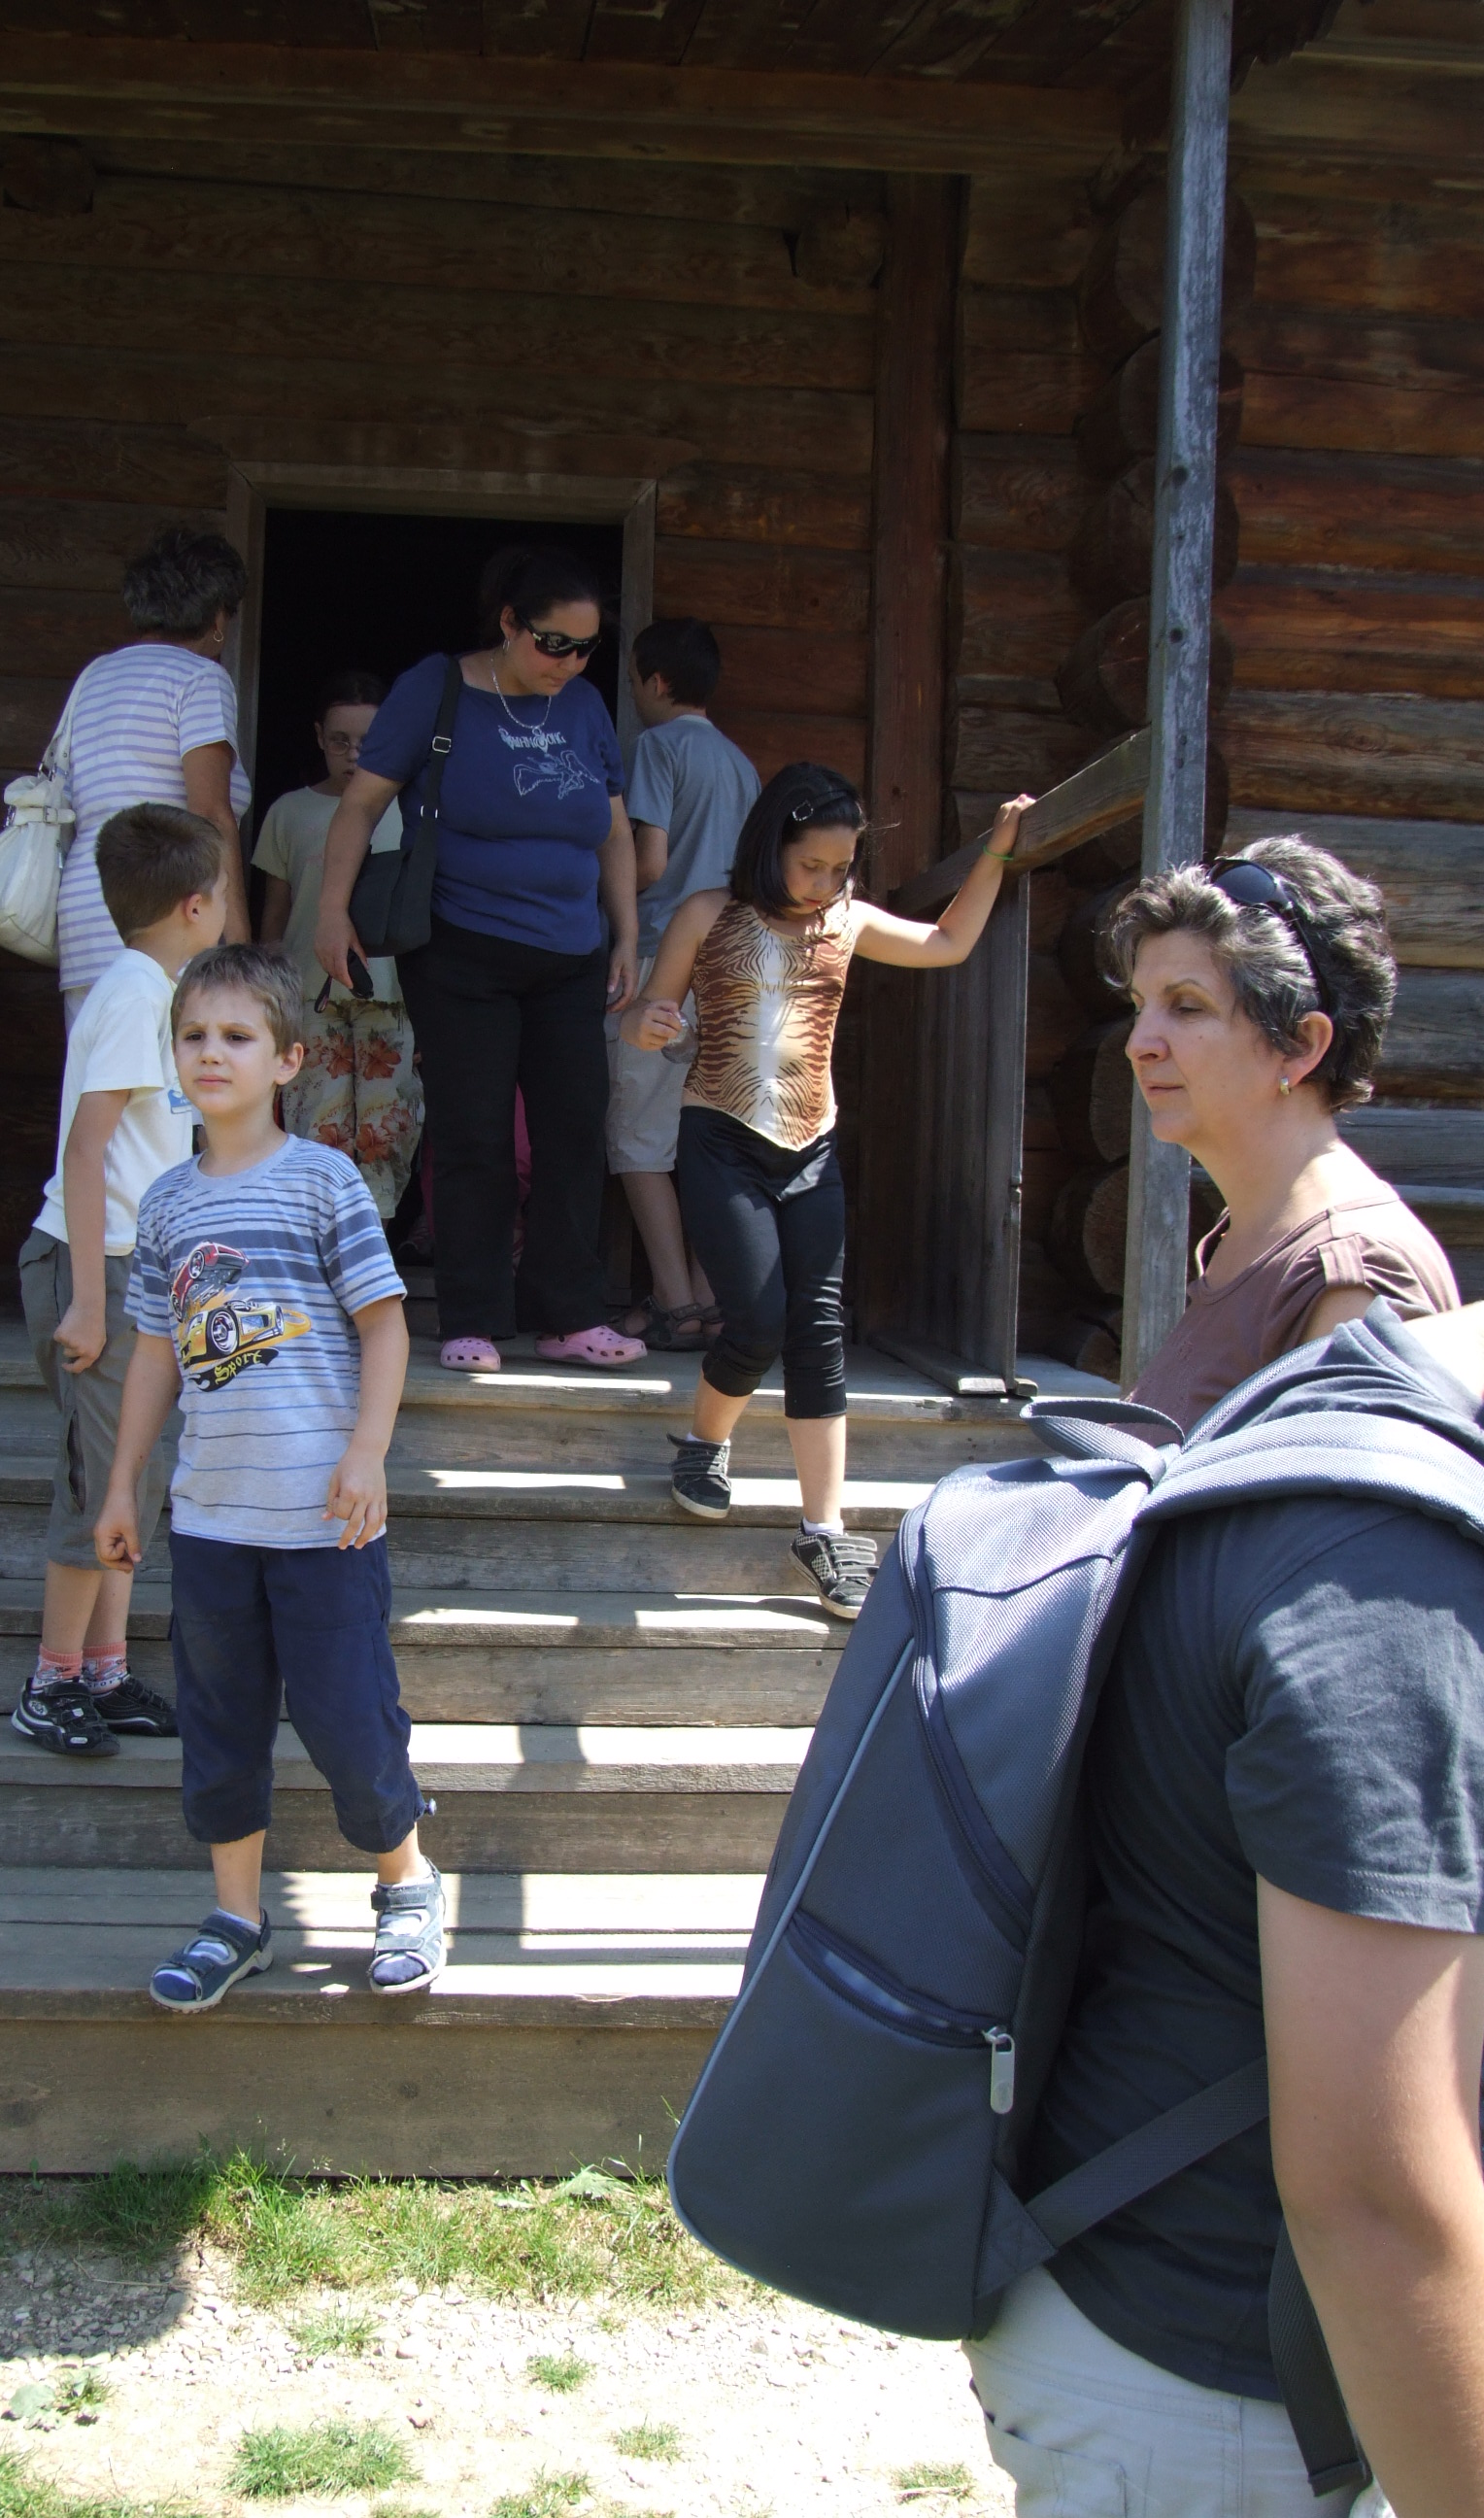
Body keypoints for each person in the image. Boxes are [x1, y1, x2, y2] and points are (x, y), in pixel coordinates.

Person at [966, 1293, 1484, 2516]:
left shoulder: (1325, 1403)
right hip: (1225, 2393)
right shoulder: (1389, 1586)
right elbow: (1373, 2199)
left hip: (1168, 2314)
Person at [93, 944, 445, 2002]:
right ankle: (237, 1917)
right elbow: (154, 1354)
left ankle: (406, 1880)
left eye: (238, 1036)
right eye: (194, 1036)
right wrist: (123, 1483)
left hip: (323, 1524)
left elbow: (385, 1327)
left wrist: (368, 1452)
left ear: (289, 1060)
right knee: (220, 1727)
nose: (212, 1053)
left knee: (348, 1720)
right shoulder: (165, 1205)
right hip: (209, 1522)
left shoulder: (324, 1182)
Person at [623, 765, 1029, 1616]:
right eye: (811, 864)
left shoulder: (846, 921)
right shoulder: (707, 913)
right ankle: (704, 1441)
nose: (826, 882)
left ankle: (823, 1529)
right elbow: (648, 1014)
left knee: (818, 1330)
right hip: (721, 1138)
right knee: (757, 1319)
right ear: (770, 846)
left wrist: (995, 852)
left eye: (842, 867)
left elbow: (947, 944)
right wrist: (647, 1022)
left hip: (811, 1145)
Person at [313, 544, 647, 1376]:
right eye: (552, 643)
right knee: (474, 1134)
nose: (568, 663)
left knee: (575, 1133)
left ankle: (569, 1316)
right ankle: (471, 1317)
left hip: (571, 953)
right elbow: (360, 805)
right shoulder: (436, 686)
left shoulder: (585, 706)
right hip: (462, 948)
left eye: (585, 648)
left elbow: (613, 830)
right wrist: (330, 911)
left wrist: (627, 933)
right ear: (508, 622)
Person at [12, 804, 231, 1759]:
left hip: (142, 1270)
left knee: (133, 1479)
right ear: (195, 905)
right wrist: (91, 1304)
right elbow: (87, 1148)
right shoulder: (136, 996)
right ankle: (50, 1682)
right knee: (100, 1479)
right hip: (94, 1266)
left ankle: (104, 1672)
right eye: (222, 892)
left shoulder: (159, 991)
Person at [1106, 835, 1457, 1432]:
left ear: (1300, 1044)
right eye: (1142, 1007)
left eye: (1187, 1006)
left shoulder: (1349, 1282)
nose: (1139, 1044)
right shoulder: (1249, 1236)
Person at [609, 616, 761, 1351]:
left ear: (657, 681)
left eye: (634, 680)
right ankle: (711, 1294)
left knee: (637, 1133)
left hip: (663, 958)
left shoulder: (657, 746)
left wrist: (599, 896)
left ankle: (676, 1302)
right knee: (709, 1133)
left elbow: (650, 862)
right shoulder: (741, 765)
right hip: (732, 968)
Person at [54, 525, 253, 1028]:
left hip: (89, 909)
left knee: (100, 1071)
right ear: (218, 617)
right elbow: (210, 813)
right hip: (169, 913)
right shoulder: (200, 678)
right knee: (176, 1075)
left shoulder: (94, 677)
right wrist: (241, 947)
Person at [253, 669, 424, 1220]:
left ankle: (373, 1249)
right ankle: (319, 1247)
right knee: (316, 1130)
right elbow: (275, 916)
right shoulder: (288, 812)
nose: (353, 755)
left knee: (386, 1133)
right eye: (339, 741)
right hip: (309, 997)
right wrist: (267, 1001)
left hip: (393, 996)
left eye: (368, 743)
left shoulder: (408, 808)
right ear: (318, 738)